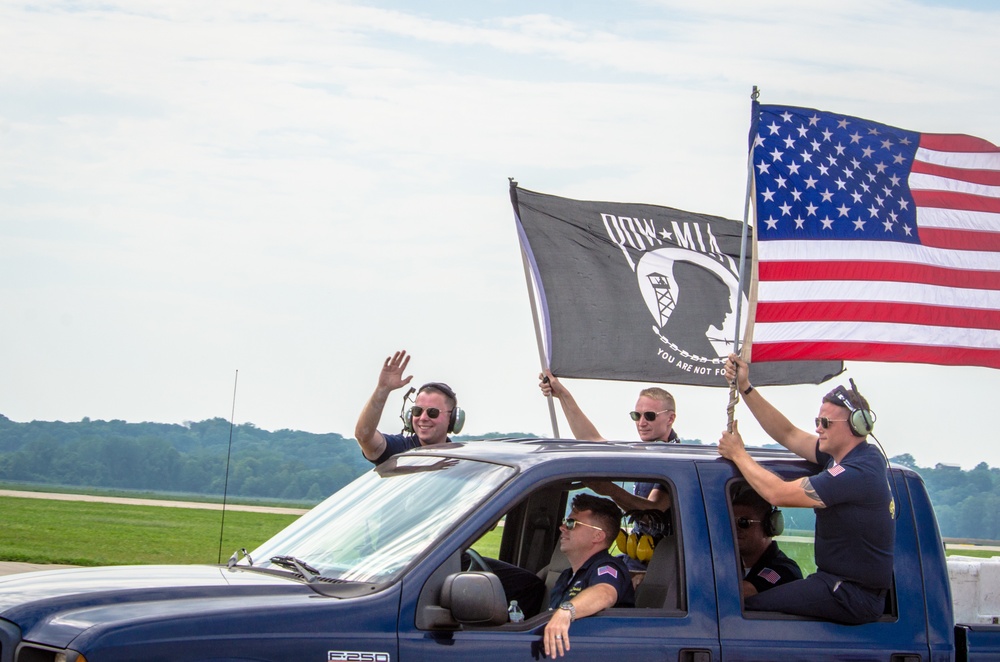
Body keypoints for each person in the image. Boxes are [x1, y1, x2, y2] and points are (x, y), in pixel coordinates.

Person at [718, 353, 895, 625]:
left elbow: (778, 494)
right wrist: (746, 387)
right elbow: (788, 433)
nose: (817, 428)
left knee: (747, 609)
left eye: (826, 423)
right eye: (817, 420)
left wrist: (739, 455)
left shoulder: (858, 473)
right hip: (834, 584)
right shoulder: (840, 457)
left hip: (850, 594)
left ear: (857, 426)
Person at [538, 371, 677, 513]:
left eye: (649, 416)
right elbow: (591, 440)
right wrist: (562, 395)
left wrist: (610, 489)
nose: (641, 423)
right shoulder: (650, 450)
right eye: (636, 415)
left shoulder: (674, 458)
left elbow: (655, 509)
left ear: (670, 419)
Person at [544, 494, 635, 659]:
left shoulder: (608, 567)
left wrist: (566, 611)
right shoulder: (567, 575)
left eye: (572, 523)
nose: (562, 527)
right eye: (566, 521)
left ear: (597, 536)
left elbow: (605, 592)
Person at [355, 350, 462, 466]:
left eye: (432, 412)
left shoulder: (460, 460)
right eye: (418, 411)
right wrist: (383, 389)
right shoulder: (399, 450)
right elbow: (363, 436)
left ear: (452, 419)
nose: (423, 418)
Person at [732, 488, 802, 598]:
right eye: (731, 522)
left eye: (743, 522)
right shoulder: (730, 565)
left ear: (768, 526)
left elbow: (741, 592)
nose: (735, 529)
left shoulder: (784, 570)